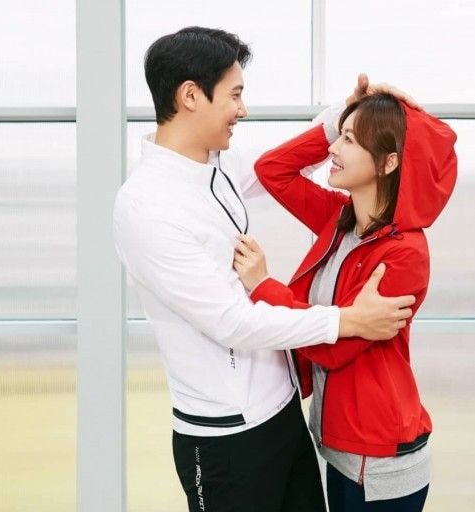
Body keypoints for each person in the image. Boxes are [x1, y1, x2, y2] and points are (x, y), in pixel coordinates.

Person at [113, 26, 416, 512]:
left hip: (283, 414)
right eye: (234, 95)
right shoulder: (145, 207)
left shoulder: (216, 165)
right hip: (226, 439)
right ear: (190, 96)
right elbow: (232, 322)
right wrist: (348, 320)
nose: (243, 109)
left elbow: (275, 167)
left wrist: (346, 115)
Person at [234, 89, 457, 511]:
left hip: (380, 466)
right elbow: (272, 170)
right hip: (340, 449)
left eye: (349, 140)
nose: (333, 148)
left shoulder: (405, 254)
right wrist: (337, 118)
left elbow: (331, 347)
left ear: (389, 162)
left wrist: (263, 286)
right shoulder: (339, 219)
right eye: (340, 136)